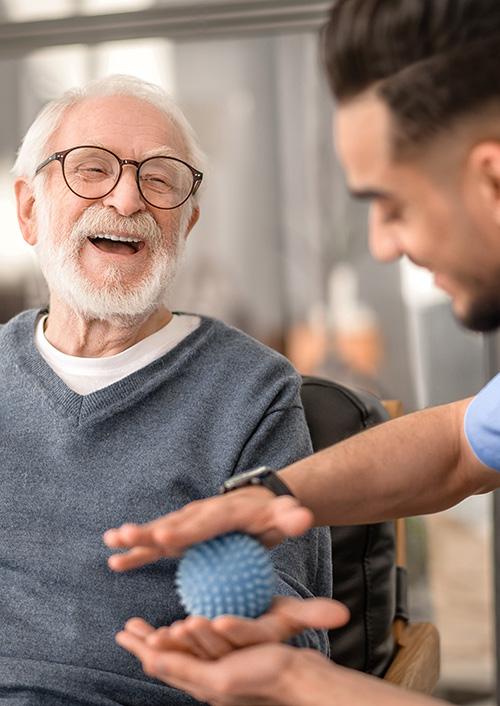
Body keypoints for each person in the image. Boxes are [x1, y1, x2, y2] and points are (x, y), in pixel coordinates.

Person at [103, 0, 500, 704]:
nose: (381, 244)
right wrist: (275, 497)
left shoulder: (244, 385)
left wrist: (297, 681)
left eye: (392, 203)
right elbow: (458, 446)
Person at [2, 73, 334, 705]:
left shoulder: (251, 391)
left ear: (187, 221)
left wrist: (248, 635)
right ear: (28, 209)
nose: (128, 200)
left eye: (159, 178)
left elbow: (292, 633)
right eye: (92, 169)